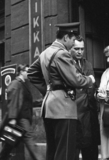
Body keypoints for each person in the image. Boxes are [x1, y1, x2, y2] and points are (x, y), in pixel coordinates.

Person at [27, 22, 95, 160]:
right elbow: (76, 80)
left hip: (49, 107)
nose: (72, 43)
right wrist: (90, 80)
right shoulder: (62, 53)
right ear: (65, 38)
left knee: (52, 151)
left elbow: (32, 73)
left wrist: (49, 90)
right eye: (72, 40)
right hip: (63, 108)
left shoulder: (45, 52)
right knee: (65, 152)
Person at [0, 64, 39, 160]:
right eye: (27, 71)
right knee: (29, 140)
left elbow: (26, 101)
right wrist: (13, 118)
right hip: (21, 118)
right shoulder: (16, 83)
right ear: (21, 72)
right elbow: (12, 101)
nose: (29, 73)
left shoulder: (24, 84)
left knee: (9, 144)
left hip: (22, 117)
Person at [70, 35, 100, 160]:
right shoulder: (68, 64)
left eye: (82, 49)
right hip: (76, 111)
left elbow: (93, 84)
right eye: (76, 49)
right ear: (71, 48)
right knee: (76, 146)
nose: (79, 52)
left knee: (91, 148)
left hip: (90, 111)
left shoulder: (87, 63)